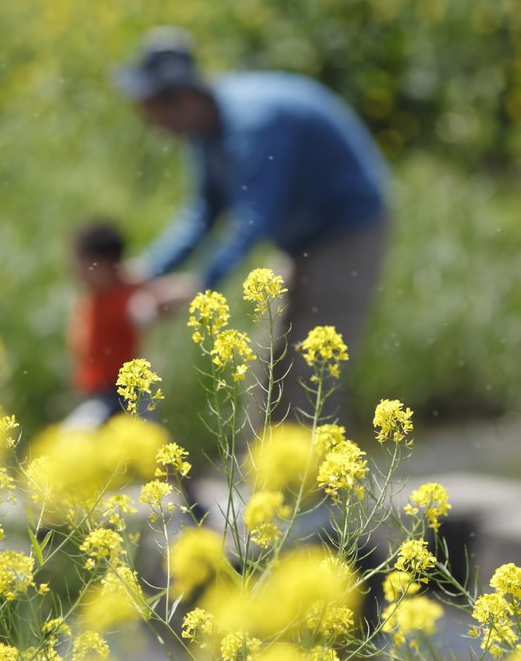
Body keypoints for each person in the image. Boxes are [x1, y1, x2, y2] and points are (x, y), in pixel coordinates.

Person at [114, 28, 391, 424]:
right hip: (301, 238)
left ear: (181, 99)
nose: (150, 124)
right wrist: (147, 270)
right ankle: (266, 482)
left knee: (312, 373)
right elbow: (203, 214)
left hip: (348, 231)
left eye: (151, 110)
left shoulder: (255, 124)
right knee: (270, 371)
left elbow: (252, 219)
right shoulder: (204, 131)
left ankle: (321, 483)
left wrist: (198, 286)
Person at [63, 221, 156, 430]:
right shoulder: (95, 295)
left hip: (120, 398)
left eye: (83, 264)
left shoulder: (126, 302)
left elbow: (150, 307)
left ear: (105, 265)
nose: (76, 271)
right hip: (99, 395)